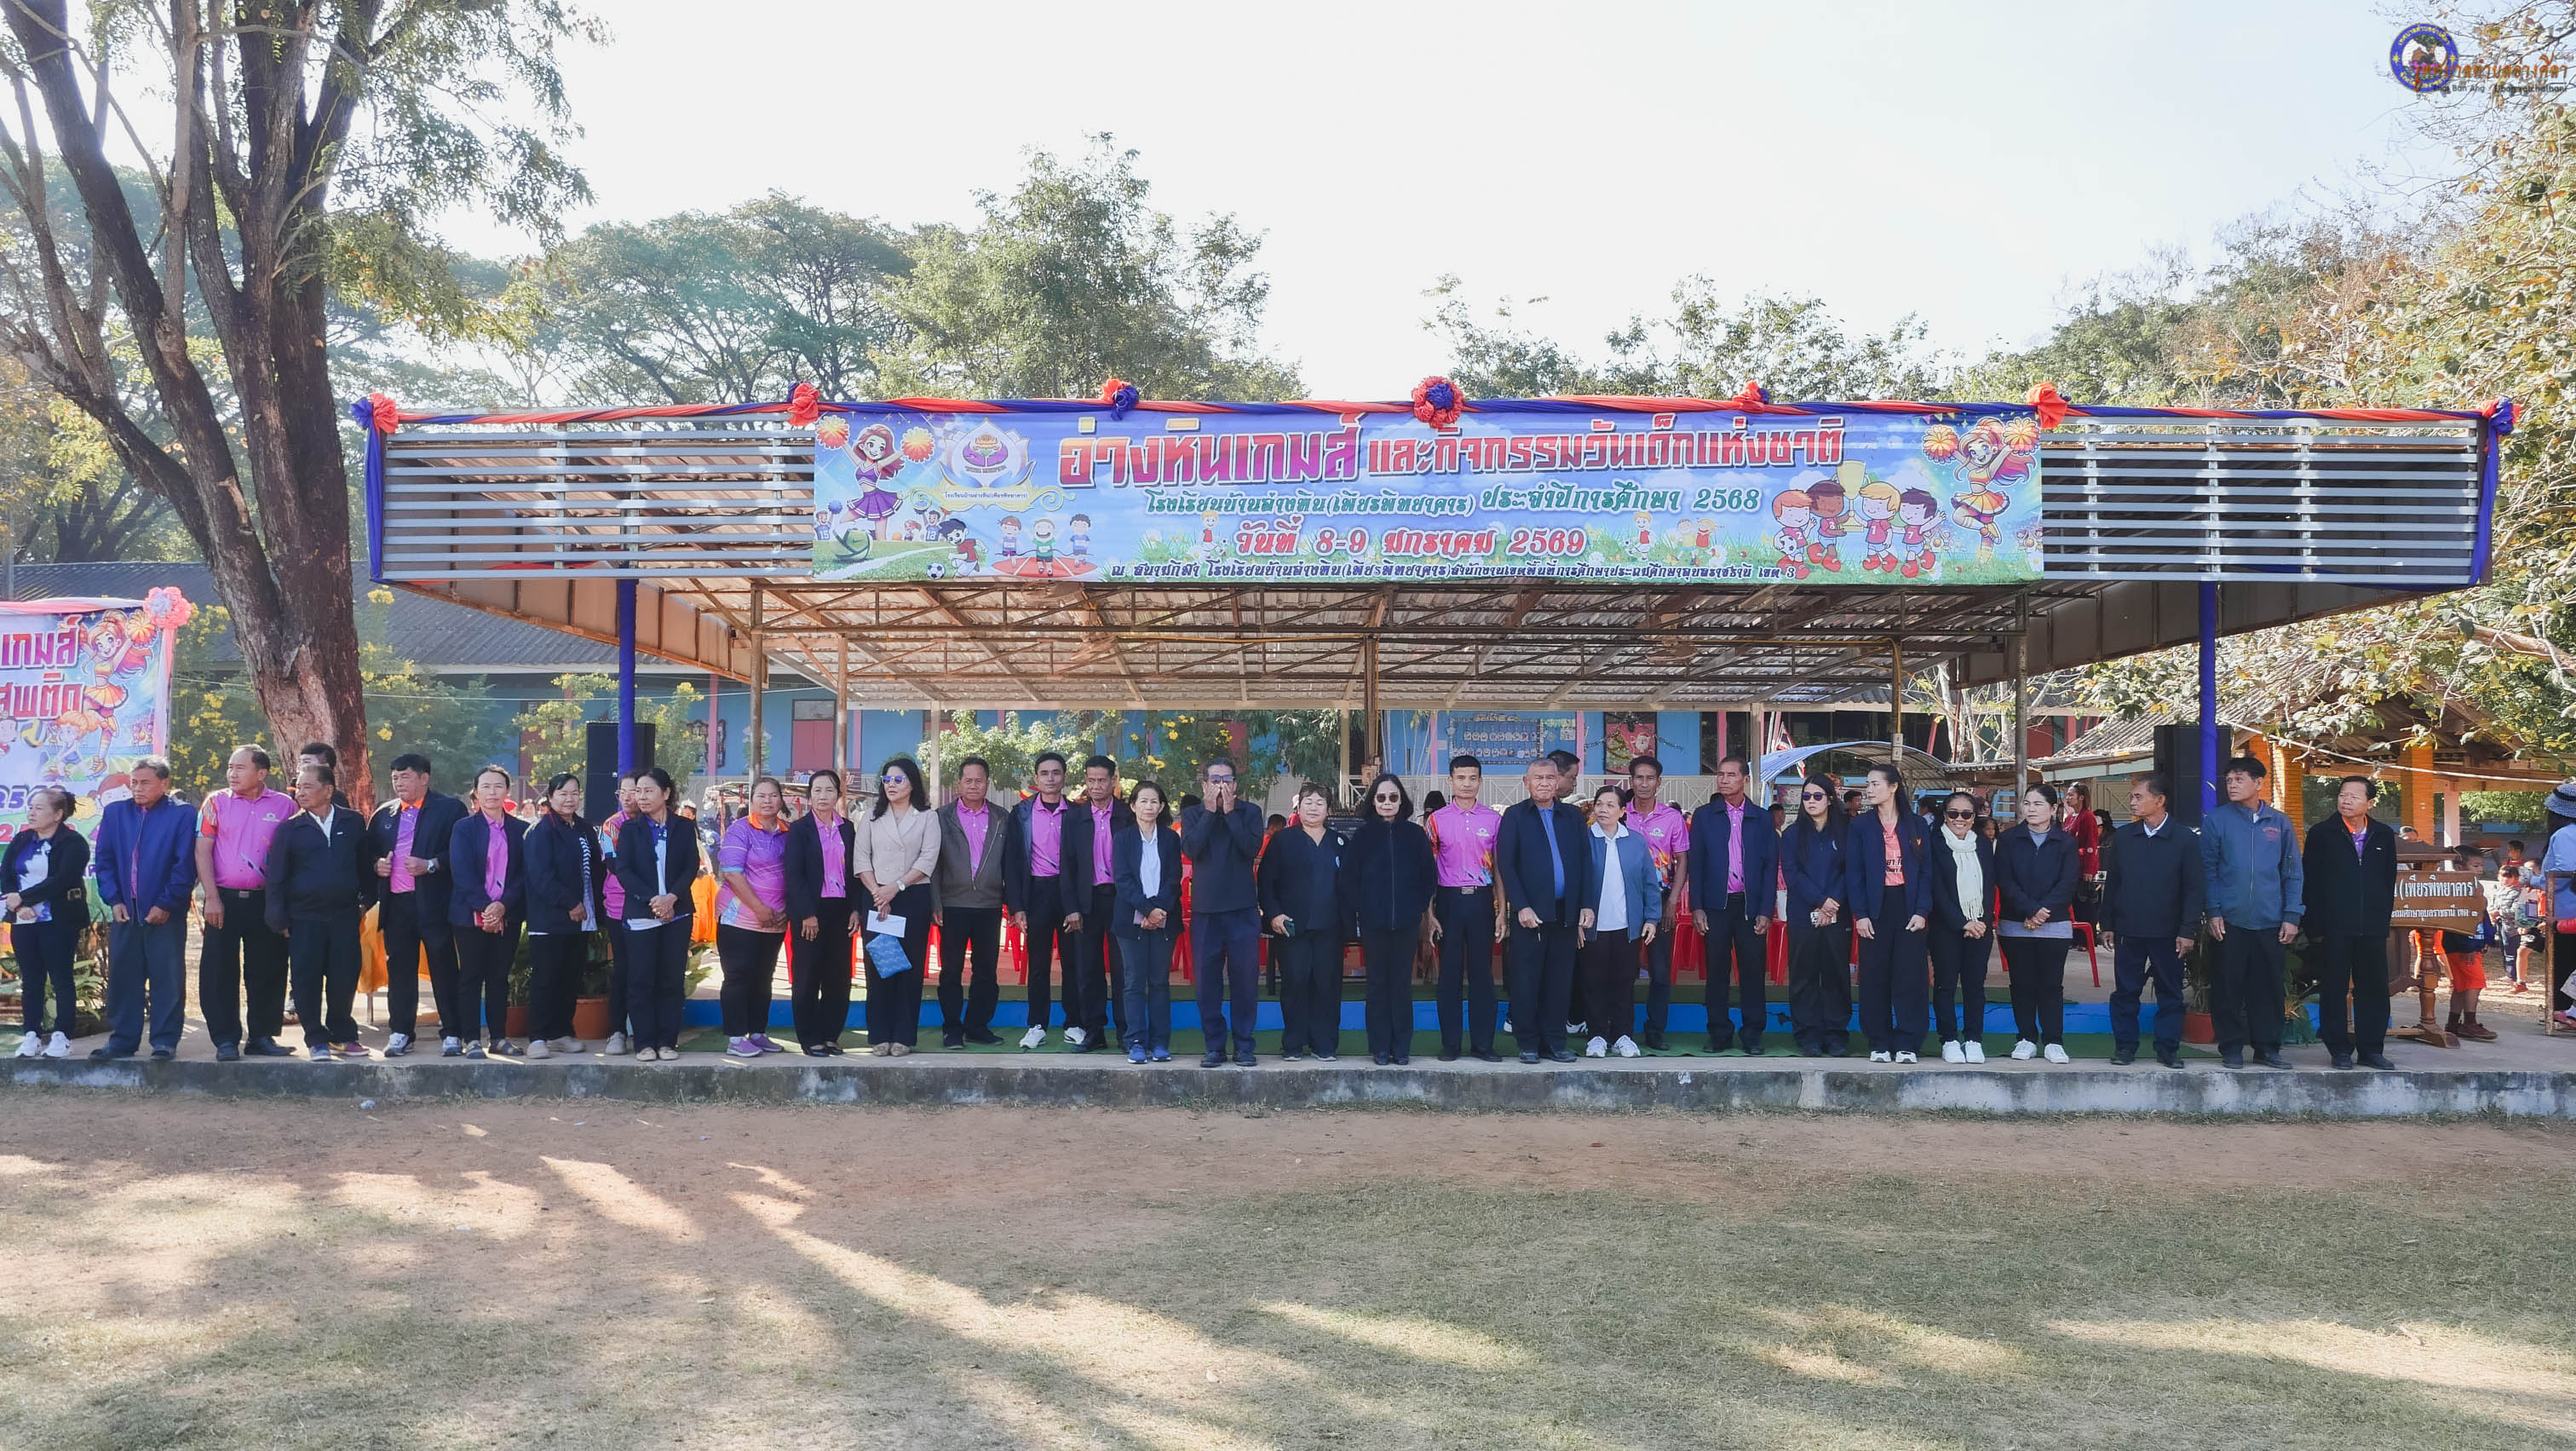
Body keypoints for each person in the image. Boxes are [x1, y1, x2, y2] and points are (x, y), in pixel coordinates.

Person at [265, 762, 379, 1061]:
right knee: (307, 979)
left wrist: (367, 901)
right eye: (298, 788)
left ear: (328, 790)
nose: (300, 793)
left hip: (344, 915)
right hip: (304, 918)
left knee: (344, 976)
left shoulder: (352, 822)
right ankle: (316, 1039)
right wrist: (277, 916)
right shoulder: (290, 829)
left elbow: (364, 865)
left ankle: (343, 1035)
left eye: (308, 787)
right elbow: (276, 877)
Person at [2201, 754, 2304, 1069]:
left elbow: (2292, 872)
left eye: (2239, 779)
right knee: (2227, 987)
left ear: (2259, 783)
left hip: (2271, 921)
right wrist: (2213, 910)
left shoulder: (2280, 823)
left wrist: (2292, 915)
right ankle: (2231, 1048)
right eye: (2229, 780)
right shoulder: (2217, 820)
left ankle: (2267, 1048)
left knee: (2269, 989)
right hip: (2229, 921)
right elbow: (2208, 870)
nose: (2232, 785)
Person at [195, 745, 297, 1058]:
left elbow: (294, 854)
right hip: (223, 898)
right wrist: (211, 897)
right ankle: (225, 1039)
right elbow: (202, 851)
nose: (232, 773)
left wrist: (285, 904)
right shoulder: (215, 803)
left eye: (240, 768)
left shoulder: (285, 805)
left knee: (269, 968)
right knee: (219, 970)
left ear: (261, 773)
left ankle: (262, 1036)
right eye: (230, 767)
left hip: (267, 899)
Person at [94, 761, 196, 1062]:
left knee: (167, 979)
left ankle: (164, 1042)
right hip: (126, 911)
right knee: (124, 978)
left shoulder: (182, 814)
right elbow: (104, 861)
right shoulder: (116, 812)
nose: (137, 789)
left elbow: (185, 866)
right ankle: (122, 1041)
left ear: (164, 784)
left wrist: (166, 904)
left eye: (145, 782)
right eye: (134, 782)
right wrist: (114, 900)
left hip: (165, 913)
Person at [365, 752, 466, 1058]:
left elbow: (461, 853)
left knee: (444, 970)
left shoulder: (449, 809)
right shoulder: (384, 814)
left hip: (435, 904)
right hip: (397, 905)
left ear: (424, 778)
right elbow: (367, 853)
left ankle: (453, 1033)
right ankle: (401, 1032)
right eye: (395, 777)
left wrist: (431, 864)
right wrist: (377, 865)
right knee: (400, 972)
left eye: (405, 776)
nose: (399, 783)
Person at [2100, 773, 2203, 1068]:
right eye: (2132, 797)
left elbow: (2194, 889)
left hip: (2169, 933)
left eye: (2138, 797)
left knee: (2170, 992)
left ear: (2160, 800)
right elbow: (2113, 884)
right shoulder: (2124, 838)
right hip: (2128, 930)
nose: (2132, 802)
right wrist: (2107, 924)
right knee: (2125, 992)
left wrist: (2187, 930)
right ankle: (2125, 1047)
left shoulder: (2185, 839)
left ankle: (2168, 1049)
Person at [1498, 756, 1593, 1064]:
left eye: (1550, 778)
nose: (1544, 783)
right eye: (1537, 778)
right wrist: (1521, 906)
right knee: (1527, 981)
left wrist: (1586, 904)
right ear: (1526, 782)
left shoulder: (1573, 816)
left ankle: (1555, 1042)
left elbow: (1586, 861)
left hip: (1566, 913)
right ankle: (1527, 1043)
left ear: (1557, 782)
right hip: (1531, 915)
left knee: (1559, 981)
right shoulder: (1515, 816)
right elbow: (1506, 865)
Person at [2301, 776, 2400, 1070]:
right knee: (2333, 987)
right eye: (2343, 795)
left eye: (2354, 797)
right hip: (2334, 926)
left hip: (2371, 926)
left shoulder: (2382, 835)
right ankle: (2339, 1050)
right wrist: (2315, 927)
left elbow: (2388, 881)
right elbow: (2311, 882)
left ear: (2370, 803)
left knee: (2374, 988)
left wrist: (2382, 920)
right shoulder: (2322, 833)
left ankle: (2372, 1050)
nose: (2346, 800)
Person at [1343, 771, 1436, 1065]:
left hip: (1406, 922)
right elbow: (1350, 879)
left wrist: (1417, 907)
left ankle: (1402, 1047)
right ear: (1373, 801)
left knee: (1401, 985)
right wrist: (1362, 909)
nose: (1387, 802)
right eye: (1381, 797)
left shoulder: (1415, 835)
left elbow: (1428, 876)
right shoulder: (1363, 836)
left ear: (1401, 801)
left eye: (1393, 797)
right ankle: (1380, 1047)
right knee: (1377, 985)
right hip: (1374, 922)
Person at [1688, 753, 1776, 1056]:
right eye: (1721, 774)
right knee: (1717, 972)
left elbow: (1770, 867)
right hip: (1716, 906)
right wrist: (1697, 906)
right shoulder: (1704, 816)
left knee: (1752, 972)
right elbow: (1696, 865)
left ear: (1745, 780)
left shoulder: (1762, 818)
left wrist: (1765, 910)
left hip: (1750, 907)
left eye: (1731, 775)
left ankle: (1753, 1035)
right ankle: (1719, 1034)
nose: (1724, 780)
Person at [1181, 758, 1266, 1068]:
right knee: (1207, 983)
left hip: (1243, 910)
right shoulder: (1192, 814)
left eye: (1226, 780)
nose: (1220, 786)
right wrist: (1209, 813)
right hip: (1206, 912)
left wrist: (1230, 814)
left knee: (1245, 980)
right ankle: (1214, 1046)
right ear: (1204, 784)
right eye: (1214, 780)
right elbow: (1191, 849)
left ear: (1235, 784)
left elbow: (1250, 849)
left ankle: (1244, 1045)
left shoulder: (1250, 812)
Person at [1845, 764, 1932, 1063]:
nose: (1869, 790)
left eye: (1875, 784)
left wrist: (1922, 910)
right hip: (1874, 909)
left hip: (1908, 907)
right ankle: (1879, 1041)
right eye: (1868, 784)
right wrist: (1860, 913)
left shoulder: (1917, 825)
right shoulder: (1860, 826)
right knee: (1874, 976)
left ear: (1893, 787)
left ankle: (1908, 1041)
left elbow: (1927, 872)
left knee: (1910, 977)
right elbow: (1854, 873)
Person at [1002, 751, 1087, 1049]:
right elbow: (1012, 862)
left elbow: (1083, 862)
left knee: (1072, 962)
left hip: (1068, 895)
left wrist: (1078, 904)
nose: (1050, 779)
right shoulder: (1021, 813)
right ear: (1036, 778)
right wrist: (1017, 906)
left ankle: (1074, 1023)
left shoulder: (1077, 813)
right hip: (1036, 892)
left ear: (1064, 777)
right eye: (1044, 773)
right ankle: (1037, 1024)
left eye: (1056, 773)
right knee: (1037, 963)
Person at [854, 757, 939, 1054]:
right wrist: (878, 892)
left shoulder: (927, 817)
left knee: (909, 969)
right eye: (887, 779)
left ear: (912, 783)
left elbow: (928, 858)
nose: (891, 785)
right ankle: (879, 1036)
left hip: (912, 896)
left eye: (898, 779)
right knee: (879, 966)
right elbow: (861, 858)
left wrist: (896, 887)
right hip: (876, 897)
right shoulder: (871, 816)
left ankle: (903, 1036)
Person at [615, 768, 700, 1061]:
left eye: (648, 790)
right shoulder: (630, 829)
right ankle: (644, 1043)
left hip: (678, 913)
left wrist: (672, 898)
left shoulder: (684, 827)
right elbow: (624, 870)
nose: (641, 797)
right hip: (642, 912)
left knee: (671, 979)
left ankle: (667, 1042)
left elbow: (691, 865)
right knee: (641, 980)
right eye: (637, 791)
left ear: (666, 793)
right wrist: (654, 900)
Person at [1423, 755, 1505, 1062]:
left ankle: (1484, 1045)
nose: (1467, 784)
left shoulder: (1494, 820)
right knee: (1450, 975)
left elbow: (1499, 869)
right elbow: (1428, 870)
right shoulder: (1436, 820)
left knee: (1483, 974)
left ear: (1480, 782)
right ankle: (1451, 1044)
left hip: (1482, 901)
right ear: (1450, 781)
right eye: (1461, 778)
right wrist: (1429, 914)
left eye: (1472, 778)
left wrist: (1502, 911)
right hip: (1448, 901)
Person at [517, 771, 601, 1059]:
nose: (569, 799)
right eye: (563, 793)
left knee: (570, 977)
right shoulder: (540, 831)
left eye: (574, 793)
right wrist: (569, 903)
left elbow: (596, 869)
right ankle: (538, 1037)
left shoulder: (584, 828)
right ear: (550, 797)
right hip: (550, 918)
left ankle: (561, 1032)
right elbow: (540, 876)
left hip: (581, 919)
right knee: (546, 978)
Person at [1994, 782, 2079, 1064]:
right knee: (2022, 983)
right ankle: (2026, 1038)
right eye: (2027, 803)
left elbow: (2068, 883)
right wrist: (2030, 910)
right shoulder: (2009, 840)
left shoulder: (2065, 842)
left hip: (2055, 926)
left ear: (2053, 809)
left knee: (2051, 985)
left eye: (2038, 804)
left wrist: (2043, 913)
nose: (2031, 809)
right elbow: (2005, 880)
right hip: (2015, 924)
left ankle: (2054, 1041)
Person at [1261, 783, 1347, 1060]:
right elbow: (1265, 881)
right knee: (1295, 983)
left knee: (1327, 985)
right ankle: (1293, 1044)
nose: (1313, 807)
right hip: (1291, 927)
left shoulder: (1339, 842)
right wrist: (1274, 914)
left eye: (1320, 803)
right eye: (1308, 802)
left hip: (1330, 928)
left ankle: (1324, 1044)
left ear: (1328, 809)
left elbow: (1351, 886)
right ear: (1299, 807)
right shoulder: (1282, 841)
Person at [447, 765, 528, 1057]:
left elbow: (523, 874)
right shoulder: (464, 828)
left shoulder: (521, 829)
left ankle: (498, 1038)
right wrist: (486, 908)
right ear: (476, 793)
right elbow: (462, 873)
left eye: (498, 786)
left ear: (507, 791)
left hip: (507, 913)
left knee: (499, 977)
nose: (492, 792)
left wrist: (502, 906)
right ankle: (471, 1039)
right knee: (470, 976)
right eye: (486, 787)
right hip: (469, 914)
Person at [933, 756, 1012, 1048]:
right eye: (968, 780)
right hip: (952, 905)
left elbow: (1011, 864)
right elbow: (932, 864)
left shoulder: (1002, 817)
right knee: (951, 970)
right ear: (959, 783)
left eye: (979, 781)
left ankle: (978, 1026)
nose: (974, 786)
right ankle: (952, 1028)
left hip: (989, 906)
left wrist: (1012, 904)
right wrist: (935, 902)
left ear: (987, 784)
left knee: (986, 971)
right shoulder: (941, 817)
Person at [7, 787, 89, 1060]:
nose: (31, 813)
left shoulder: (73, 843)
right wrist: (19, 905)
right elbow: (6, 875)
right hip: (24, 920)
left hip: (59, 919)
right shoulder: (21, 840)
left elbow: (62, 880)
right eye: (31, 807)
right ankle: (31, 1034)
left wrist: (24, 898)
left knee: (61, 977)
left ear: (57, 814)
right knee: (31, 979)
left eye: (39, 808)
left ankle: (62, 1036)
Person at [715, 776, 793, 1057]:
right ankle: (736, 1038)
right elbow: (732, 874)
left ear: (781, 800)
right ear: (752, 800)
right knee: (738, 976)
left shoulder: (788, 832)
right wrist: (759, 909)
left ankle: (758, 1033)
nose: (767, 801)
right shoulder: (740, 829)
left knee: (763, 978)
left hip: (775, 921)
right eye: (761, 795)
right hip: (740, 919)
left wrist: (786, 911)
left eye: (773, 795)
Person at [1581, 783, 1661, 1057]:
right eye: (1599, 804)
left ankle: (1623, 1035)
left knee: (1624, 982)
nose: (1603, 810)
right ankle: (1596, 1036)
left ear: (1622, 811)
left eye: (1610, 805)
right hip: (1592, 927)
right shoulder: (1584, 840)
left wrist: (1651, 918)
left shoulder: (1636, 841)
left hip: (1628, 926)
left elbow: (1650, 883)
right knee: (1594, 982)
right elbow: (1575, 882)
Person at [783, 767, 856, 1056]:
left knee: (838, 977)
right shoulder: (799, 830)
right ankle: (809, 1036)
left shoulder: (848, 828)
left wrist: (855, 909)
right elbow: (794, 875)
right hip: (810, 912)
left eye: (829, 790)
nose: (823, 796)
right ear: (809, 796)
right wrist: (806, 913)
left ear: (838, 795)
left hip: (841, 911)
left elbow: (856, 871)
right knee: (808, 975)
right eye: (817, 791)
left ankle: (830, 1035)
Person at [1622, 754, 1691, 1051]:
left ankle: (1655, 1031)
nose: (1644, 783)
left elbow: (1682, 860)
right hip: (1623, 900)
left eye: (1650, 778)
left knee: (1660, 971)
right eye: (1639, 778)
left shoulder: (1672, 818)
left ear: (1659, 783)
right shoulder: (1620, 814)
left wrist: (1672, 901)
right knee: (1622, 970)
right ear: (1631, 781)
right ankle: (1620, 1030)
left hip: (1660, 901)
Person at [1113, 780, 1183, 1062]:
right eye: (1143, 801)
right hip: (1131, 920)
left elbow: (1174, 879)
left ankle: (1160, 1042)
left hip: (1164, 918)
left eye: (1154, 801)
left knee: (1159, 982)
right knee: (1133, 982)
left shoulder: (1170, 838)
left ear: (1162, 806)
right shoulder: (1123, 839)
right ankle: (1136, 1042)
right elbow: (1123, 880)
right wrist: (1145, 910)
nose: (1149, 806)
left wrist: (1158, 910)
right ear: (1133, 806)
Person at [1923, 789, 1996, 1064]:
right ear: (1945, 815)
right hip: (1946, 927)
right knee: (1945, 985)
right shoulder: (1934, 843)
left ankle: (1974, 1039)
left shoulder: (1983, 845)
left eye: (1966, 814)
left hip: (1979, 926)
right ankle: (1949, 1039)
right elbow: (1936, 889)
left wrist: (1982, 921)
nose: (1960, 819)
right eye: (1953, 813)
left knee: (1975, 985)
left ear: (1974, 817)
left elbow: (1989, 885)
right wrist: (1962, 922)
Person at [1781, 773, 1850, 1057]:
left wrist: (1833, 902)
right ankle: (1807, 1034)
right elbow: (1792, 874)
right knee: (1804, 975)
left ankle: (1836, 1034)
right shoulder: (1792, 834)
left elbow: (1850, 870)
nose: (1811, 801)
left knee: (1836, 974)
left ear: (1830, 799)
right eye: (1806, 796)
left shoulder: (1846, 831)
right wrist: (1821, 901)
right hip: (1803, 913)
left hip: (1838, 913)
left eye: (1817, 796)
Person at [1070, 755, 1132, 1054]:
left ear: (1113, 781)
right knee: (1088, 970)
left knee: (1124, 970)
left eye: (1102, 780)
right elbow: (1067, 866)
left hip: (1121, 900)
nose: (1096, 786)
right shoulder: (1075, 817)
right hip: (1087, 902)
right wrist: (1071, 907)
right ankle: (1093, 1031)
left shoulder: (1127, 815)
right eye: (1091, 780)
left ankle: (1126, 1032)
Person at [1546, 748, 1591, 1036]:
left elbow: (1581, 860)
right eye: (1572, 777)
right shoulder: (1521, 815)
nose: (1575, 783)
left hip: (1569, 907)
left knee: (1567, 966)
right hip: (1535, 909)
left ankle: (1569, 1018)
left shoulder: (1573, 816)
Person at [595, 772, 638, 1055]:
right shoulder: (612, 825)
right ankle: (617, 1031)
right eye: (624, 792)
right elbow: (613, 865)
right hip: (620, 906)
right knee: (623, 969)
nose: (629, 797)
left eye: (636, 791)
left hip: (655, 908)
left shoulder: (657, 823)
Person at [2544, 784, 2576, 1028]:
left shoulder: (2564, 834)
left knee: (2563, 963)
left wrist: (2535, 879)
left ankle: (2563, 1012)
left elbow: (2564, 870)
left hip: (2565, 911)